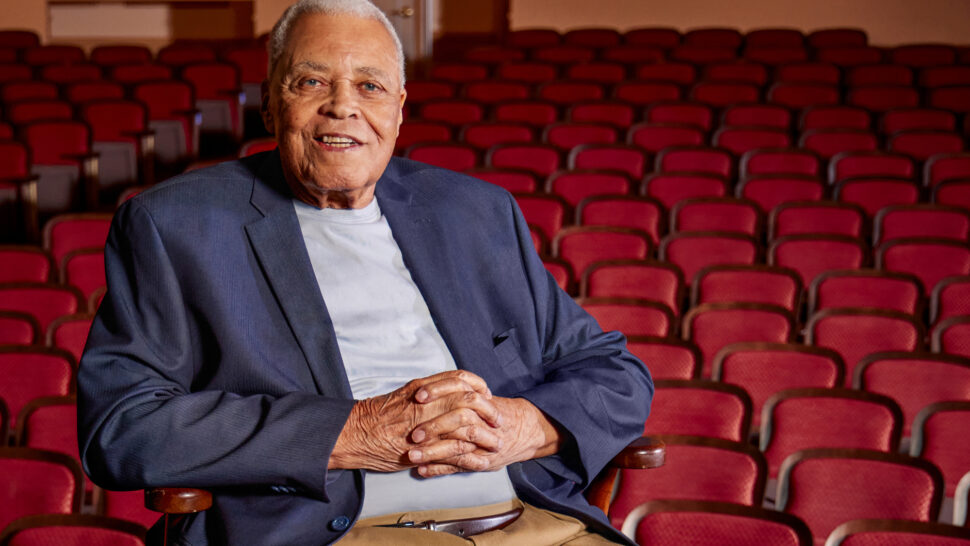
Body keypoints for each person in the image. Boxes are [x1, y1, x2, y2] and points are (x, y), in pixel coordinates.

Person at [76, 0, 653, 544]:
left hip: (531, 521)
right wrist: (353, 432)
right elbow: (124, 427)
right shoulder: (175, 225)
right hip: (340, 532)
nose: (342, 105)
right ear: (271, 104)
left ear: (399, 109)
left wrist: (525, 425)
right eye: (312, 82)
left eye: (369, 86)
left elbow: (616, 373)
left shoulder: (476, 211)